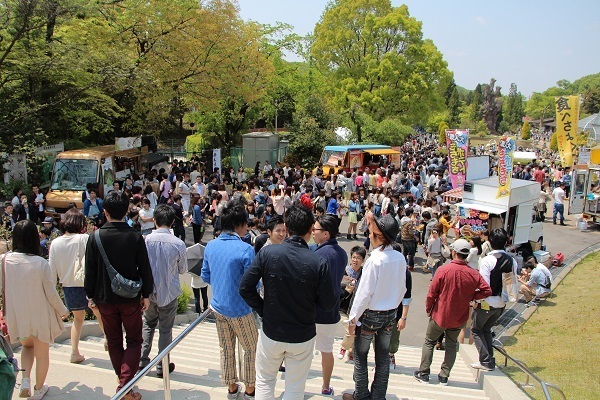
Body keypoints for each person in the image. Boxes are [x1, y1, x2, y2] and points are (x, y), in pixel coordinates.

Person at [239, 204, 337, 399]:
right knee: (295, 387)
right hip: (302, 334)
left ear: (287, 228)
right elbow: (328, 303)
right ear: (310, 231)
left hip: (272, 330)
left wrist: (264, 309)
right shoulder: (318, 262)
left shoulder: (268, 253)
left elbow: (245, 288)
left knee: (265, 381)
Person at [84, 191, 154, 400]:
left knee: (114, 341)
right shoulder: (135, 236)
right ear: (126, 211)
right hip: (130, 298)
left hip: (104, 298)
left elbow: (90, 271)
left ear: (104, 212)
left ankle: (123, 385)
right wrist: (146, 294)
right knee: (134, 340)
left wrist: (90, 296)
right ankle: (125, 387)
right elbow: (145, 268)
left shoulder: (95, 237)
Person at [1, 220, 69, 399]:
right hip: (39, 315)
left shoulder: (5, 260)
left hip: (19, 315)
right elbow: (51, 293)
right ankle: (38, 389)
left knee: (27, 348)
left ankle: (25, 380)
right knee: (42, 354)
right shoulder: (40, 263)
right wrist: (63, 311)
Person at [343, 214, 406, 400]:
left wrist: (353, 318)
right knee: (383, 357)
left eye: (371, 232)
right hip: (390, 313)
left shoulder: (374, 259)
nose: (369, 236)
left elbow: (364, 294)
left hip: (370, 314)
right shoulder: (399, 257)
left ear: (378, 235)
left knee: (361, 356)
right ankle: (378, 396)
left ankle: (361, 395)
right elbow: (402, 289)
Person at [413, 239, 492, 386]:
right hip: (459, 316)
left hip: (440, 314)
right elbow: (487, 290)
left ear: (454, 252)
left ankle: (424, 373)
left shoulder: (443, 269)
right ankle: (444, 376)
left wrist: (429, 308)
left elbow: (432, 293)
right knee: (451, 344)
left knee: (430, 341)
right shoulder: (473, 273)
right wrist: (473, 297)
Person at [201, 200, 257, 399]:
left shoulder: (211, 246)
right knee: (250, 349)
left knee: (226, 349)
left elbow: (206, 276)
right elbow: (254, 284)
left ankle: (231, 388)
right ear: (238, 225)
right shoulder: (245, 249)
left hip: (218, 306)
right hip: (240, 309)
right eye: (245, 223)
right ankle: (250, 390)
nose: (246, 227)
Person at [49, 209, 105, 364]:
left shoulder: (55, 243)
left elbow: (51, 272)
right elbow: (94, 263)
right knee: (99, 314)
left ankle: (74, 352)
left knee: (77, 319)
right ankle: (108, 339)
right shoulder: (84, 238)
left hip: (68, 286)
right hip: (87, 284)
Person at [140, 204, 187, 377]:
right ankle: (162, 366)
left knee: (148, 324)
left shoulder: (145, 240)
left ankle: (141, 361)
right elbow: (183, 269)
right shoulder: (178, 244)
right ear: (173, 221)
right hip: (169, 293)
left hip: (148, 294)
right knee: (165, 330)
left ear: (154, 220)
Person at [470, 229, 518, 372]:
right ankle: (490, 359)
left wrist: (476, 301)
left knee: (476, 329)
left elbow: (484, 286)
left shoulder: (487, 261)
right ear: (506, 242)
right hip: (502, 303)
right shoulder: (512, 261)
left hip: (487, 302)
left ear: (490, 242)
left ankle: (485, 361)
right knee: (486, 329)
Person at [312, 215, 348, 395]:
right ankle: (326, 387)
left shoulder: (318, 254)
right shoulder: (342, 253)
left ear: (326, 234)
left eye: (315, 230)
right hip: (331, 311)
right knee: (326, 350)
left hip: (311, 311)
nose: (312, 232)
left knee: (304, 350)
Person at [338, 246, 367, 362]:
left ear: (363, 260)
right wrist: (346, 291)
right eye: (353, 257)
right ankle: (343, 349)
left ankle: (351, 351)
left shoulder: (365, 274)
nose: (355, 260)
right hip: (343, 308)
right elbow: (335, 291)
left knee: (355, 331)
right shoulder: (343, 272)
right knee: (350, 330)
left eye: (358, 258)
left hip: (357, 309)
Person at [388, 242, 412, 369]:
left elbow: (407, 297)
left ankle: (391, 355)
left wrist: (403, 318)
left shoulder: (405, 273)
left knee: (394, 337)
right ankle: (380, 360)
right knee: (378, 338)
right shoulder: (382, 268)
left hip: (396, 312)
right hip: (379, 310)